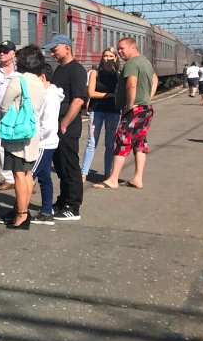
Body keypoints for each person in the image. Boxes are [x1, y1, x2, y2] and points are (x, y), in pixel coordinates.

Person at [96, 37, 158, 190]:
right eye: (119, 48)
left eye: (122, 48)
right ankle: (138, 178)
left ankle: (113, 179)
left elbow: (131, 85)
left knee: (122, 140)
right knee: (140, 142)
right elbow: (155, 79)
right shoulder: (145, 61)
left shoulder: (131, 63)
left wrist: (129, 106)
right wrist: (147, 98)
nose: (120, 51)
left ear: (133, 47)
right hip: (146, 109)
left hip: (135, 109)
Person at [0, 45, 46, 230]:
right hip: (32, 133)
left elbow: (4, 107)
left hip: (17, 135)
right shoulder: (39, 83)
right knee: (27, 174)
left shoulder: (18, 82)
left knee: (18, 175)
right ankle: (23, 212)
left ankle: (22, 214)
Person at [44, 34, 88, 221]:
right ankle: (63, 201)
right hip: (57, 124)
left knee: (70, 167)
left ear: (67, 48)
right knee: (61, 166)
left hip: (67, 126)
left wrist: (64, 124)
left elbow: (78, 100)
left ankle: (73, 206)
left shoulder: (76, 70)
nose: (52, 53)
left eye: (55, 49)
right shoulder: (60, 70)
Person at [29, 62, 63, 225]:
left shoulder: (49, 97)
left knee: (28, 177)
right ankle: (46, 211)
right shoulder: (48, 94)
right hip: (46, 143)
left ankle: (19, 211)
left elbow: (48, 125)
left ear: (42, 77)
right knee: (44, 177)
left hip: (44, 144)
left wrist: (34, 138)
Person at [81, 48, 121, 181]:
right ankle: (84, 172)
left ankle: (107, 173)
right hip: (96, 110)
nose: (108, 58)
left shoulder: (119, 74)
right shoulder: (95, 72)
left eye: (111, 56)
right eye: (106, 55)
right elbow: (91, 93)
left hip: (113, 111)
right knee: (92, 142)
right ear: (102, 57)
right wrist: (109, 95)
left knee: (110, 143)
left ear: (115, 58)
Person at [0, 40, 19, 191]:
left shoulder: (20, 72)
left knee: (20, 142)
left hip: (17, 112)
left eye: (5, 51)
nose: (1, 54)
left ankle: (23, 177)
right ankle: (8, 178)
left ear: (13, 54)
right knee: (1, 143)